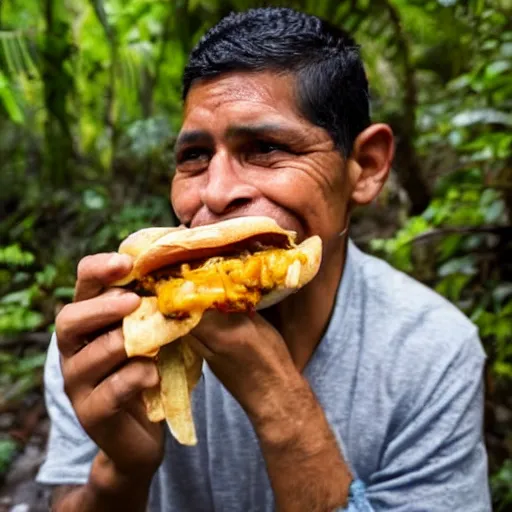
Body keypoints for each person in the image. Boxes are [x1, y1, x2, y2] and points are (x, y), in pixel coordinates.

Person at [37, 7, 491, 511]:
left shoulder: (431, 351)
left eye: (267, 148)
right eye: (194, 157)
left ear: (365, 167)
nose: (216, 192)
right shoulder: (106, 337)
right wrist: (121, 470)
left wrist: (279, 404)